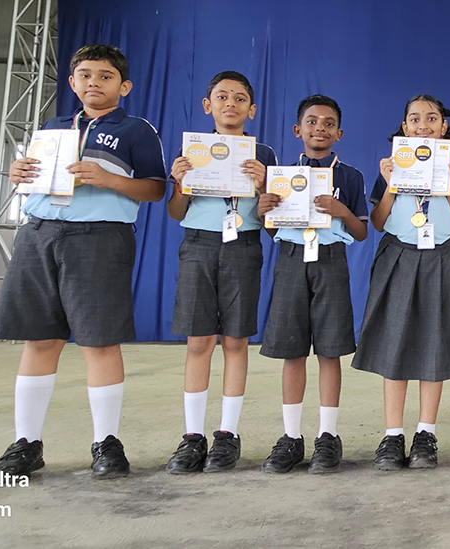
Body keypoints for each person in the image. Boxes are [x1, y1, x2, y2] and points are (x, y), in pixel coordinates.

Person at [0, 44, 166, 479]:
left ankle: (106, 442)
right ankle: (26, 442)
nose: (93, 82)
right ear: (72, 82)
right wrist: (19, 175)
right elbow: (34, 179)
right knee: (39, 340)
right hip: (39, 233)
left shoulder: (136, 130)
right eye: (85, 75)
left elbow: (156, 189)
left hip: (99, 237)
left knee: (100, 342)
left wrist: (109, 180)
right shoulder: (52, 128)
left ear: (124, 86)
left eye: (105, 76)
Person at [352, 94, 450, 471]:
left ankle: (426, 433)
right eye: (415, 118)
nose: (423, 125)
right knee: (395, 342)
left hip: (442, 255)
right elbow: (377, 222)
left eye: (432, 118)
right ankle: (393, 434)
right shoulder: (393, 165)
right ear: (405, 127)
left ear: (444, 126)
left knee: (433, 342)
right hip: (399, 254)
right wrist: (391, 183)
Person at [164, 71, 276, 474]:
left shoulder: (263, 154)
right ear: (207, 105)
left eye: (240, 98)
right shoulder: (193, 151)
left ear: (252, 109)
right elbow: (175, 212)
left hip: (243, 245)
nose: (231, 103)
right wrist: (180, 183)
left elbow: (272, 220)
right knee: (198, 341)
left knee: (235, 340)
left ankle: (227, 434)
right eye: (222, 96)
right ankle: (193, 436)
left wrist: (264, 188)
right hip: (198, 245)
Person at [258, 95, 368, 474]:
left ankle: (327, 435)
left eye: (328, 123)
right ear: (297, 129)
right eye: (312, 121)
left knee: (329, 350)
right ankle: (291, 437)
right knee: (292, 351)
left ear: (339, 133)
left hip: (331, 260)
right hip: (291, 260)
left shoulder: (349, 176)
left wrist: (342, 211)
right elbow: (271, 227)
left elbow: (361, 231)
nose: (319, 128)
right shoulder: (282, 174)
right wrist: (264, 212)